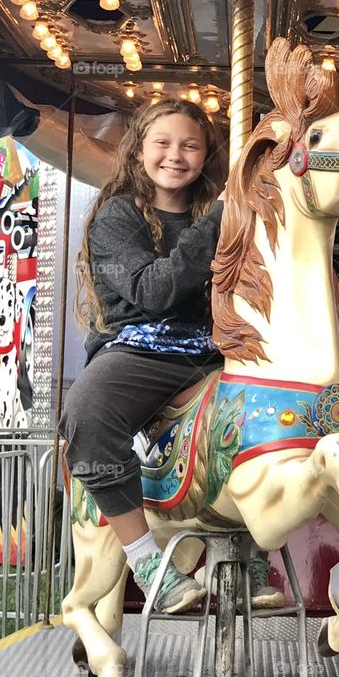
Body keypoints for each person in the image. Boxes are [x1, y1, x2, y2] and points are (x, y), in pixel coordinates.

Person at [59, 99, 279, 614]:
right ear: (139, 150)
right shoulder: (117, 216)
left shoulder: (223, 213)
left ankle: (249, 547)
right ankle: (146, 557)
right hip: (141, 349)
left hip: (214, 349)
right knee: (87, 411)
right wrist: (224, 212)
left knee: (277, 411)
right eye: (163, 143)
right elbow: (152, 291)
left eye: (190, 145)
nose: (175, 155)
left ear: (206, 155)